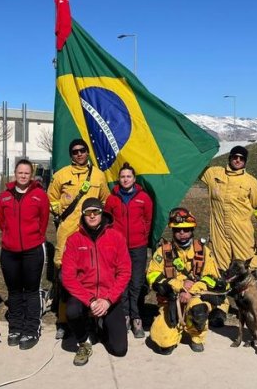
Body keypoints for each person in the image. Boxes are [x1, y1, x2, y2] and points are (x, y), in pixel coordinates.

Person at [200, 145, 257, 327]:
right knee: (220, 271)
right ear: (229, 158)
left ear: (245, 161)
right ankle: (220, 308)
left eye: (241, 158)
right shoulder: (214, 173)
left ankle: (254, 309)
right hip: (219, 231)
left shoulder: (250, 182)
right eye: (235, 157)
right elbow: (196, 167)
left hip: (242, 232)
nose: (237, 160)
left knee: (247, 269)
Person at [47, 139, 110, 338]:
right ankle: (64, 320)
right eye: (75, 151)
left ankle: (92, 318)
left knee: (91, 275)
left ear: (87, 152)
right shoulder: (61, 175)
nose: (79, 154)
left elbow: (105, 199)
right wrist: (60, 211)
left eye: (83, 150)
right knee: (65, 277)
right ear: (71, 155)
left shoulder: (98, 176)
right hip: (67, 234)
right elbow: (51, 198)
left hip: (91, 235)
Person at [61, 198, 131, 366]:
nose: (92, 216)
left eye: (96, 212)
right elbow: (68, 277)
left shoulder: (116, 237)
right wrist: (91, 301)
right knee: (71, 311)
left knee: (119, 350)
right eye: (88, 213)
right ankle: (84, 340)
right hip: (85, 296)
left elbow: (125, 272)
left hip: (109, 297)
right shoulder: (73, 240)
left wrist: (107, 300)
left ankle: (99, 326)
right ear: (83, 215)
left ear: (102, 213)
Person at [146, 207, 223, 355]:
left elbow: (212, 279)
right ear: (172, 231)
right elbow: (152, 275)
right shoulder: (163, 251)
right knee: (163, 345)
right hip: (171, 301)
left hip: (195, 298)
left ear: (192, 230)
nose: (182, 233)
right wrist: (179, 286)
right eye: (177, 230)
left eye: (186, 229)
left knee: (198, 310)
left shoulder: (203, 251)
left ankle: (196, 336)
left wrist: (190, 291)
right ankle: (175, 330)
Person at [0, 159, 50, 350]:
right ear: (15, 173)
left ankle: (31, 328)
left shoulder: (39, 195)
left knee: (32, 290)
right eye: (20, 173)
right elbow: (1, 222)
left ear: (31, 174)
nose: (23, 176)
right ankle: (16, 327)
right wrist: (11, 238)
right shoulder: (4, 197)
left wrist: (33, 237)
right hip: (10, 252)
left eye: (27, 173)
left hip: (32, 250)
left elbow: (43, 221)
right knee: (15, 291)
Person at [104, 162, 153, 338]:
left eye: (129, 176)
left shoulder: (143, 198)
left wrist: (142, 237)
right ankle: (124, 315)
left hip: (138, 247)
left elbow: (148, 220)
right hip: (119, 248)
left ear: (134, 179)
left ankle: (136, 317)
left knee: (137, 282)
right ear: (119, 179)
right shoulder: (112, 198)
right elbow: (107, 220)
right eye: (123, 176)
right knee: (122, 282)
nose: (125, 179)